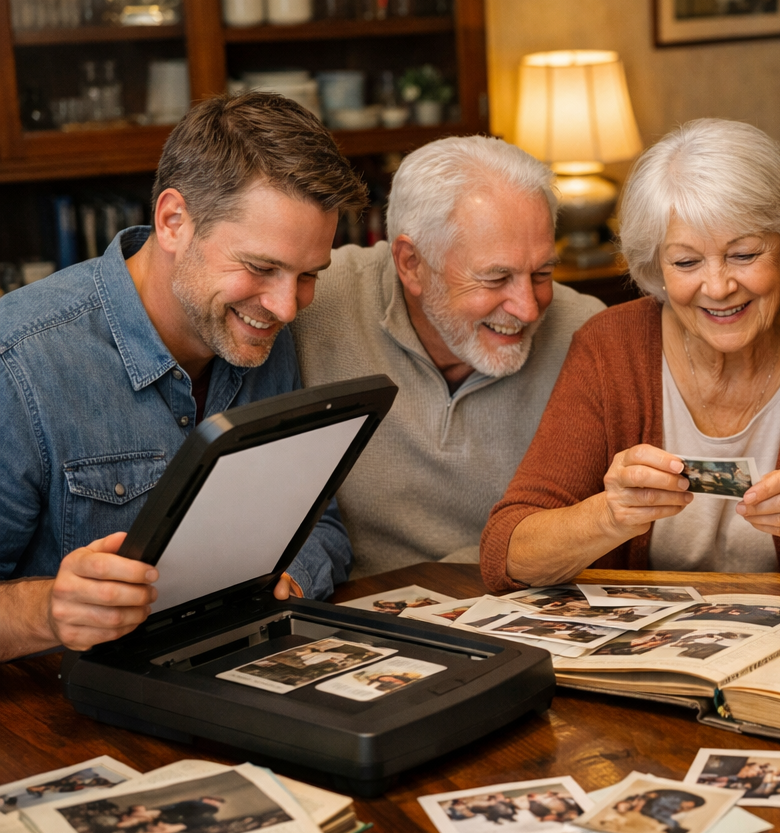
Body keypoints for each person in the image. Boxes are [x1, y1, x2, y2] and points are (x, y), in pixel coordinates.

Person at [0, 92, 364, 662]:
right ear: (173, 221)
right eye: (261, 267)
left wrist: (287, 579)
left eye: (309, 274)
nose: (288, 307)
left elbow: (321, 528)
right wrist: (48, 610)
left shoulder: (263, 326)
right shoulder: (18, 362)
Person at [481, 119, 780, 591]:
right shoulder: (609, 346)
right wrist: (609, 514)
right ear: (656, 266)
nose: (719, 287)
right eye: (685, 262)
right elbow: (506, 554)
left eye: (744, 255)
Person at [292, 136, 604, 576]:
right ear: (411, 264)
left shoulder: (591, 336)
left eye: (542, 273)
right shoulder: (308, 304)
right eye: (496, 278)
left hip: (523, 606)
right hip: (357, 612)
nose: (528, 308)